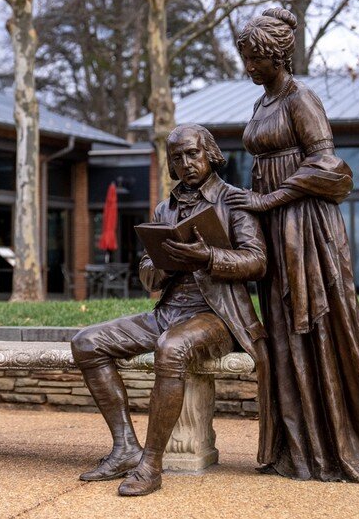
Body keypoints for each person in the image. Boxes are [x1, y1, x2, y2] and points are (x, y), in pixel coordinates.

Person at [228, 7, 359, 483]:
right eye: (245, 59)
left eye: (255, 58)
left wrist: (271, 197)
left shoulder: (302, 99)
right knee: (283, 329)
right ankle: (302, 450)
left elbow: (329, 166)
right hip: (273, 230)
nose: (249, 68)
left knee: (331, 327)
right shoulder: (261, 105)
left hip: (307, 229)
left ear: (277, 56)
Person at [71, 124, 275, 497]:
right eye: (177, 157)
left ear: (210, 154)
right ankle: (124, 447)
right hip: (168, 312)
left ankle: (150, 463)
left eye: (193, 154)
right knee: (87, 341)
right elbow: (147, 274)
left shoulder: (233, 200)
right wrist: (164, 264)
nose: (186, 163)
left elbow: (257, 261)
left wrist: (208, 256)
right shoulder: (165, 208)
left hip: (219, 317)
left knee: (171, 346)